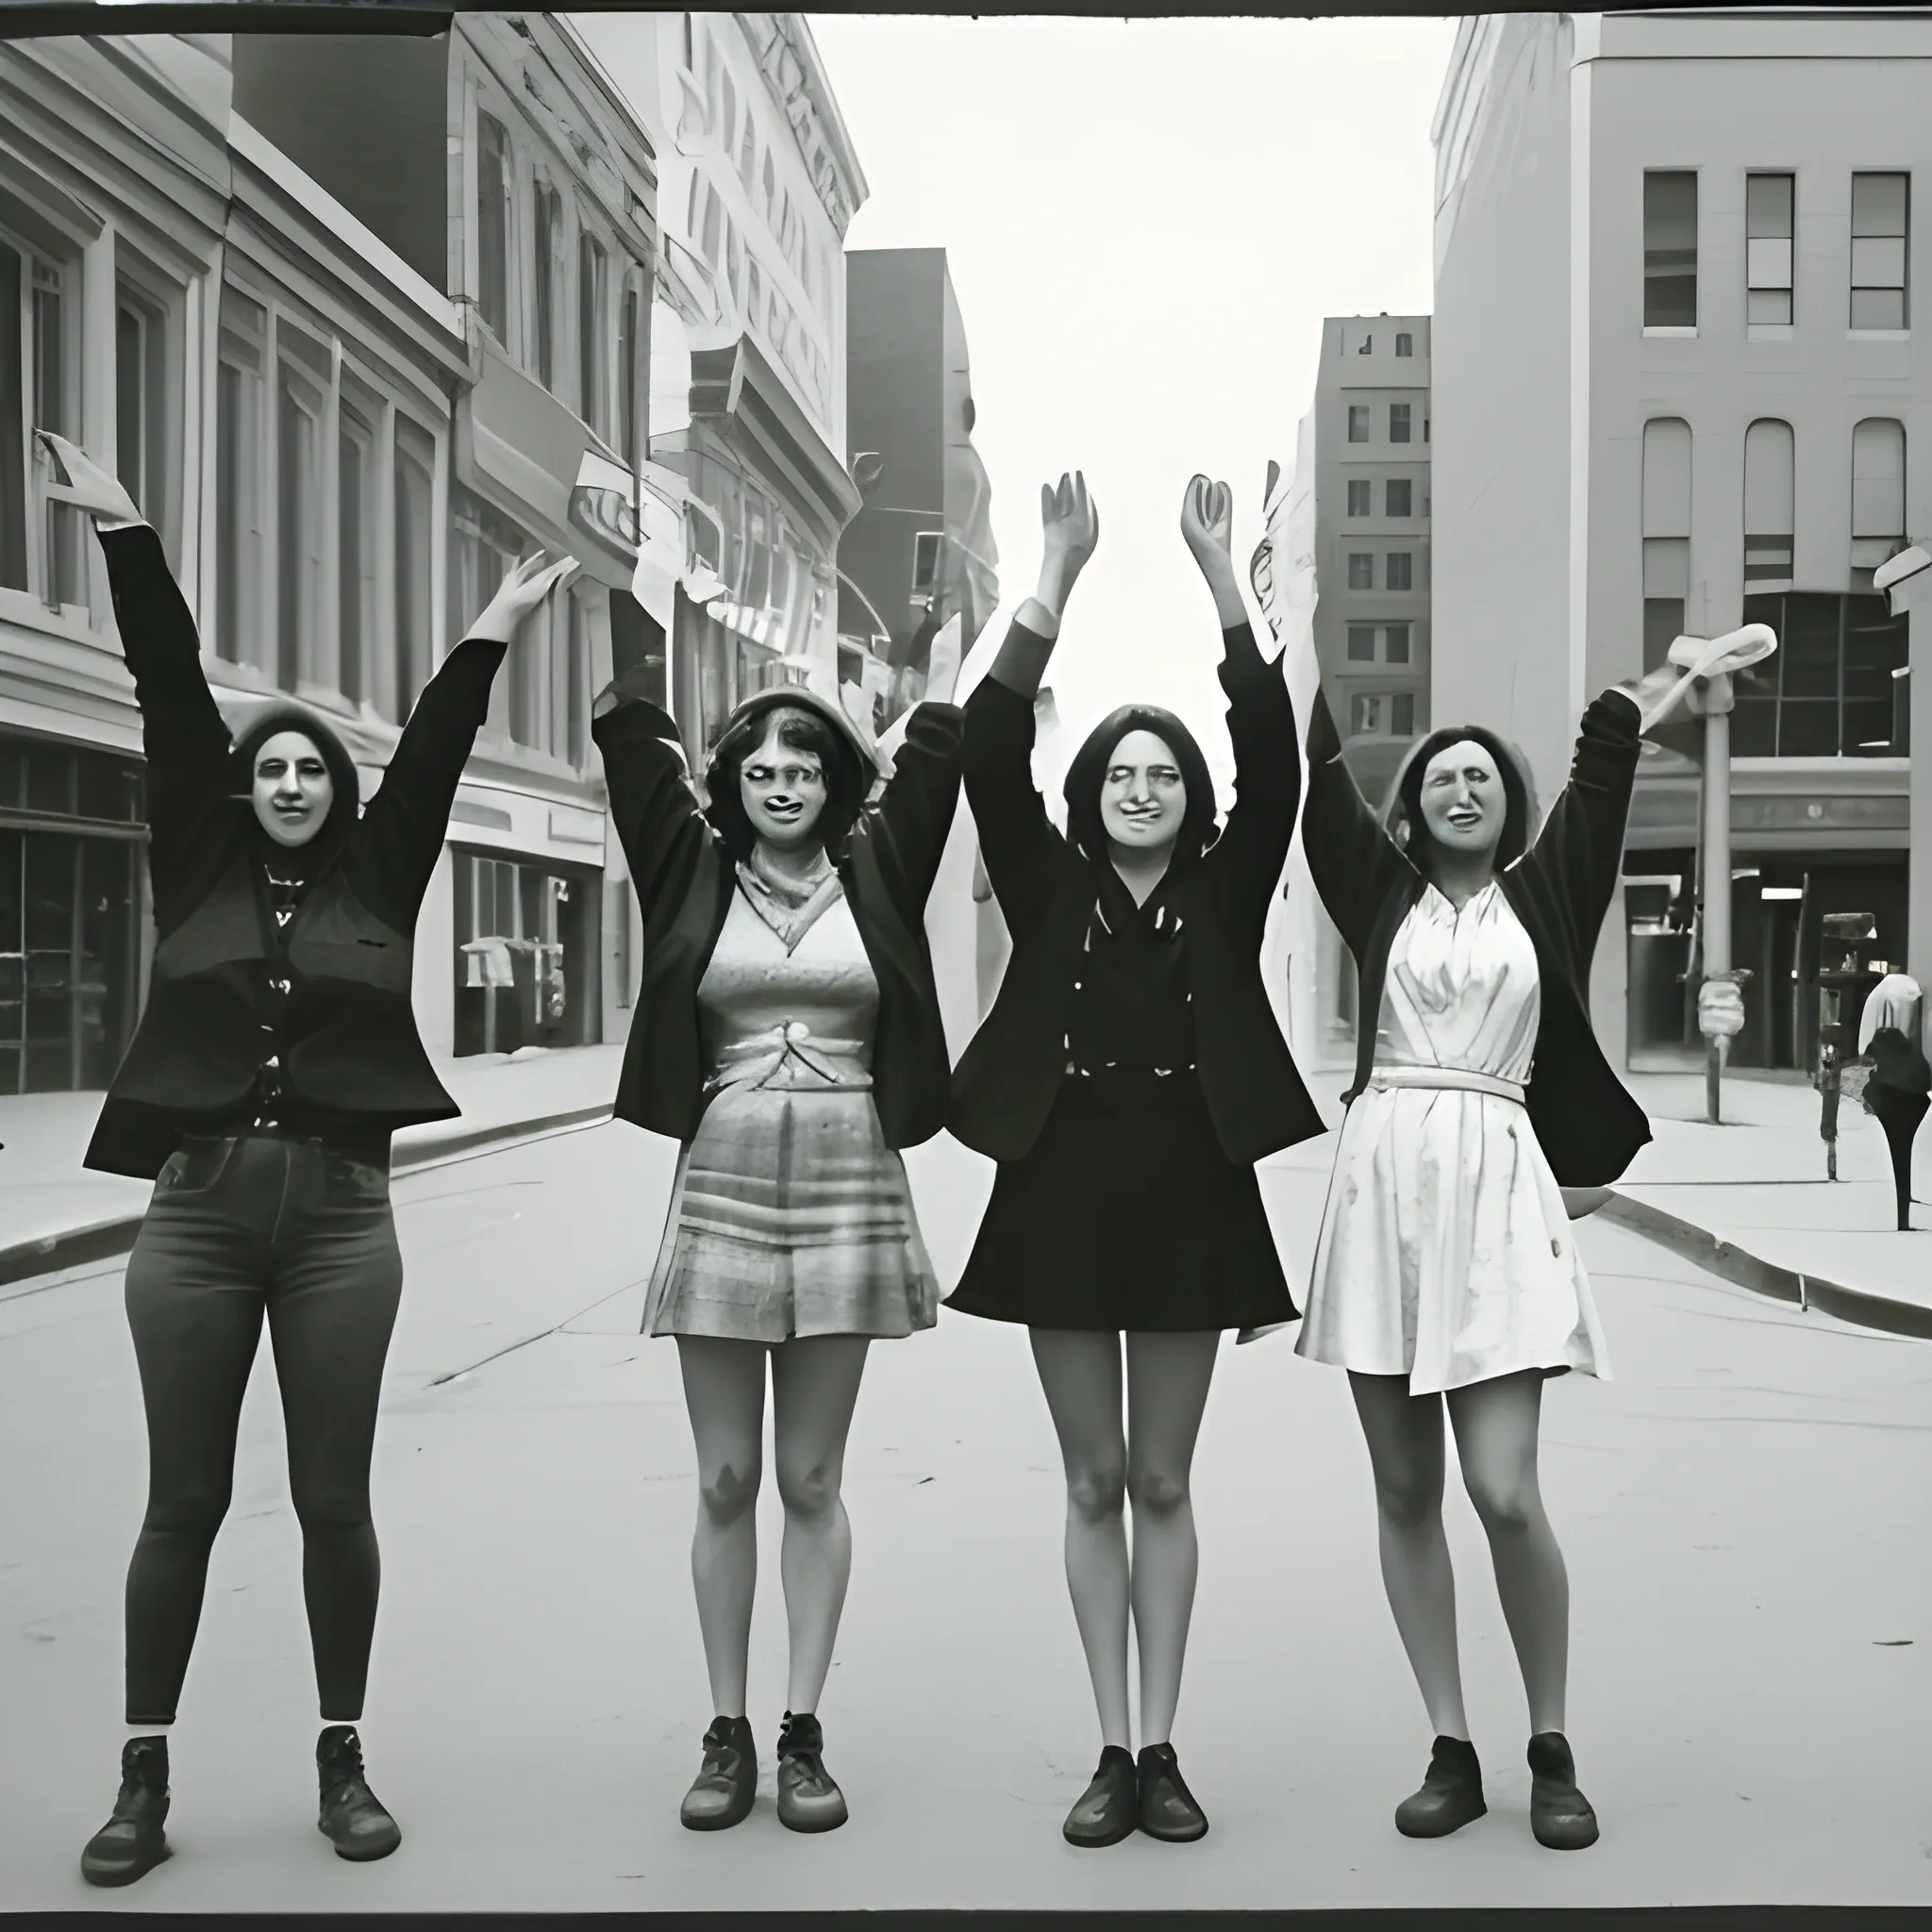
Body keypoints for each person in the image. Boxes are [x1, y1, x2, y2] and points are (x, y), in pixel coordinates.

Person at [34, 432, 575, 1887]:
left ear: (338, 790)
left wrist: (490, 631)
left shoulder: (379, 881)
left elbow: (442, 748)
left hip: (343, 1221)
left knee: (336, 1501)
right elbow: (164, 689)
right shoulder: (194, 862)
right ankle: (142, 1775)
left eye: (309, 767)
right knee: (182, 1505)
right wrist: (128, 535)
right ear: (239, 786)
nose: (288, 780)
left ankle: (342, 1755)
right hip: (195, 1220)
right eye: (266, 766)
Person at [1283, 583, 1692, 1852]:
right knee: (1406, 1490)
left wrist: (1665, 678)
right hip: (1386, 1187)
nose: (1462, 788)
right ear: (1412, 808)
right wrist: (1256, 619)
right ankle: (1451, 1743)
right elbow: (1308, 771)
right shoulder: (1378, 895)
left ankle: (1551, 1742)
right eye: (1439, 777)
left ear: (1507, 803)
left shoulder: (1547, 893)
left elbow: (1603, 774)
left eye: (1481, 776)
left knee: (1504, 1490)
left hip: (1501, 1184)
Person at [946, 474, 1324, 1848]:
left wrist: (1226, 584)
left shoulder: (1228, 887)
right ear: (1092, 793)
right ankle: (1106, 1744)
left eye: (1166, 772)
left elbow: (1275, 761)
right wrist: (1054, 575)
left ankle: (1165, 1746)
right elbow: (990, 749)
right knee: (1092, 1480)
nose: (1144, 787)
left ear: (1191, 796)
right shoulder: (1050, 886)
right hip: (1058, 1187)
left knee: (1165, 1482)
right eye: (1122, 771)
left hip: (1188, 1194)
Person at [591, 642, 964, 1835]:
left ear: (836, 780)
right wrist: (614, 589)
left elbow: (946, 755)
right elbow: (632, 751)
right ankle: (726, 1727)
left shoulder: (876, 874)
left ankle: (801, 1729)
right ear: (731, 782)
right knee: (724, 1476)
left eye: (804, 761)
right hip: (726, 1179)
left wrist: (1032, 602)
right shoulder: (694, 874)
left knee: (808, 1475)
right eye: (758, 762)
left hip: (847, 1177)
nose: (781, 778)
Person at [1857, 974, 1929, 1230]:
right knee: (1902, 1151)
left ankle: (1903, 1210)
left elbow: (1864, 1051)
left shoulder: (1878, 1000)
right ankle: (1903, 1211)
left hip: (1887, 1091)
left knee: (1899, 1152)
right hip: (1908, 1094)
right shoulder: (1910, 999)